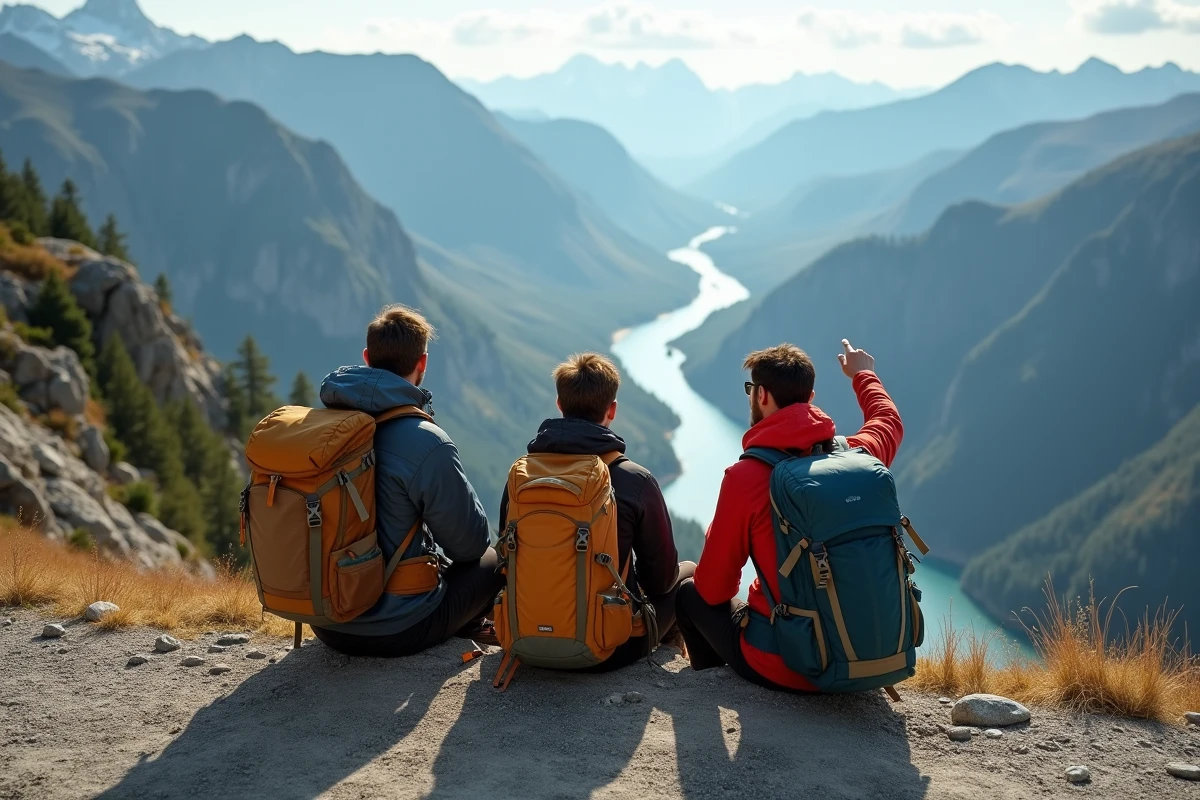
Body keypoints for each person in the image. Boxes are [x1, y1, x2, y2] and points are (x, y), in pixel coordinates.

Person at [675, 339, 904, 691]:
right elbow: (888, 422)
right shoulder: (858, 456)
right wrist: (863, 375)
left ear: (761, 395)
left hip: (784, 665)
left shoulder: (746, 477)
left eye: (751, 390)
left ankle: (712, 688)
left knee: (689, 592)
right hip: (857, 657)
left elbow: (715, 590)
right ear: (810, 398)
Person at [311, 304, 502, 657]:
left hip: (326, 620)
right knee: (491, 562)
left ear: (367, 358)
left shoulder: (325, 428)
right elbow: (470, 545)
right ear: (422, 363)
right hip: (398, 629)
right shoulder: (426, 441)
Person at [499, 352, 694, 670]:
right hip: (609, 648)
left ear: (560, 405)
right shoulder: (634, 480)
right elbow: (661, 581)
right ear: (611, 410)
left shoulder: (522, 476)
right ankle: (671, 653)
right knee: (688, 576)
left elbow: (506, 558)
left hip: (524, 639)